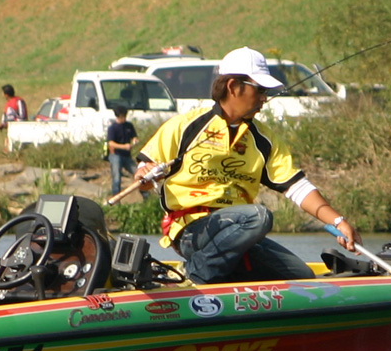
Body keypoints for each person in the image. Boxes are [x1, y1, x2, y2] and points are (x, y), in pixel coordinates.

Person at [134, 46, 361, 285]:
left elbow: (298, 188)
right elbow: (144, 178)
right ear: (233, 87)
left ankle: (221, 277)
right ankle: (197, 274)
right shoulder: (183, 126)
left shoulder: (264, 139)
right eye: (259, 89)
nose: (264, 98)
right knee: (259, 216)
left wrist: (337, 221)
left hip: (240, 233)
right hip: (193, 231)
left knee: (299, 276)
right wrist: (145, 175)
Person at [106, 106, 140, 196]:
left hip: (127, 156)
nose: (123, 118)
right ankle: (116, 200)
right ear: (117, 116)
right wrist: (123, 146)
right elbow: (111, 143)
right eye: (121, 117)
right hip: (116, 155)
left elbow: (134, 136)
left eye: (124, 116)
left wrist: (135, 140)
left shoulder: (129, 126)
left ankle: (146, 197)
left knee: (138, 174)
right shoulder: (112, 128)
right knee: (117, 178)